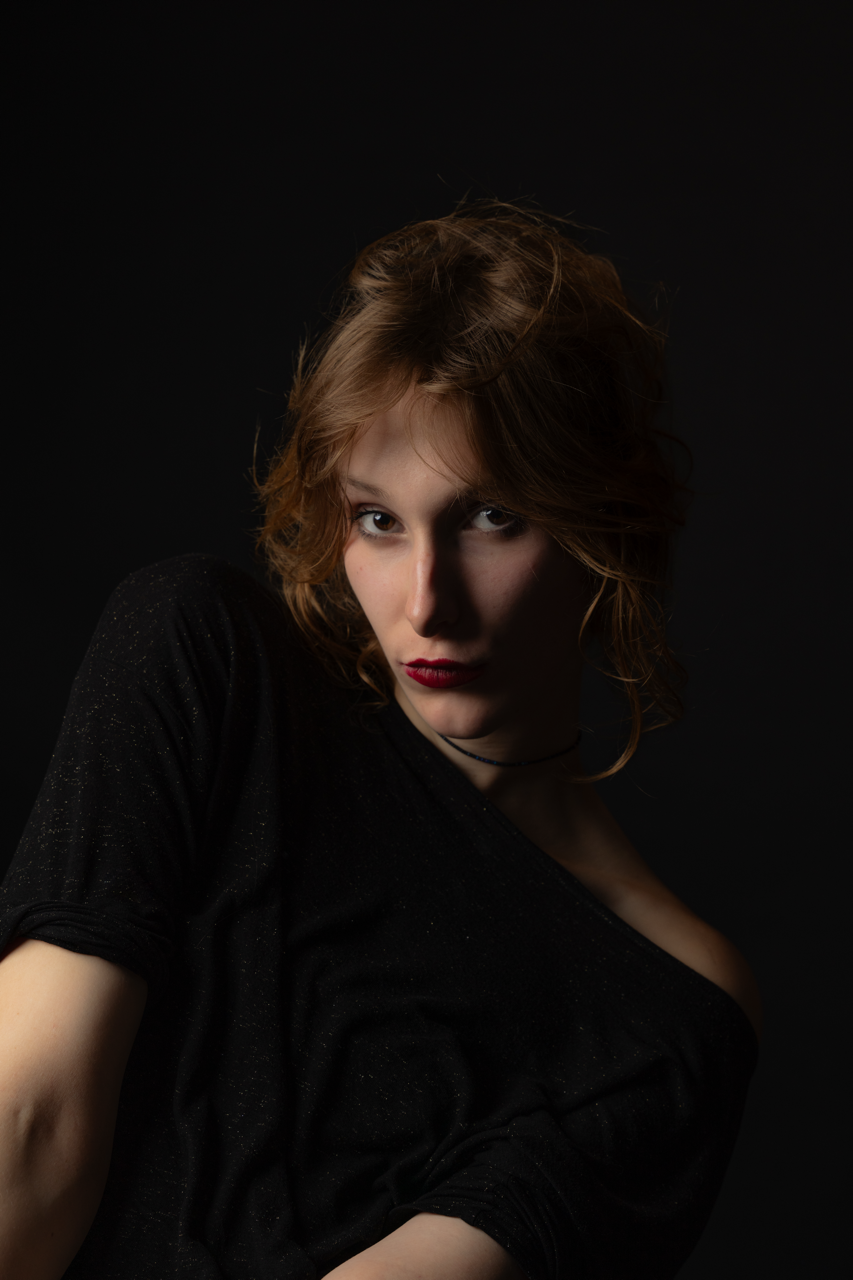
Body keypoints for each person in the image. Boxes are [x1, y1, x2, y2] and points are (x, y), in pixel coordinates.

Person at [0, 200, 761, 1280]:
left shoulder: (664, 1006)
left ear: (607, 526)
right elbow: (27, 1128)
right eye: (376, 519)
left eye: (491, 516)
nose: (426, 601)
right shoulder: (203, 663)